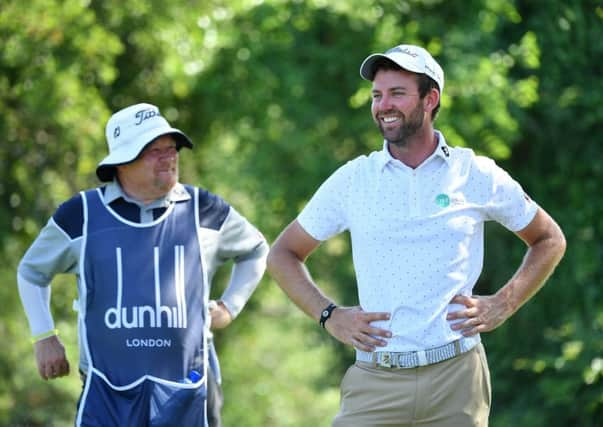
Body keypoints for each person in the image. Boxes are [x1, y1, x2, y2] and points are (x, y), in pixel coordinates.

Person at [267, 44, 566, 426]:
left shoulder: (473, 173)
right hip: (375, 380)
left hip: (457, 379)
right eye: (377, 95)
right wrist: (329, 315)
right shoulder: (354, 180)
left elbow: (549, 239)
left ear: (430, 99)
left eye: (397, 93)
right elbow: (283, 254)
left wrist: (503, 303)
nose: (383, 105)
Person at [17, 103, 268, 426]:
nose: (170, 157)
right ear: (122, 162)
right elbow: (32, 272)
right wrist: (44, 335)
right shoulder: (81, 214)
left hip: (189, 392)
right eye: (154, 151)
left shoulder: (203, 208)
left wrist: (230, 306)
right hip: (106, 396)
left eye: (172, 148)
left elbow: (257, 249)